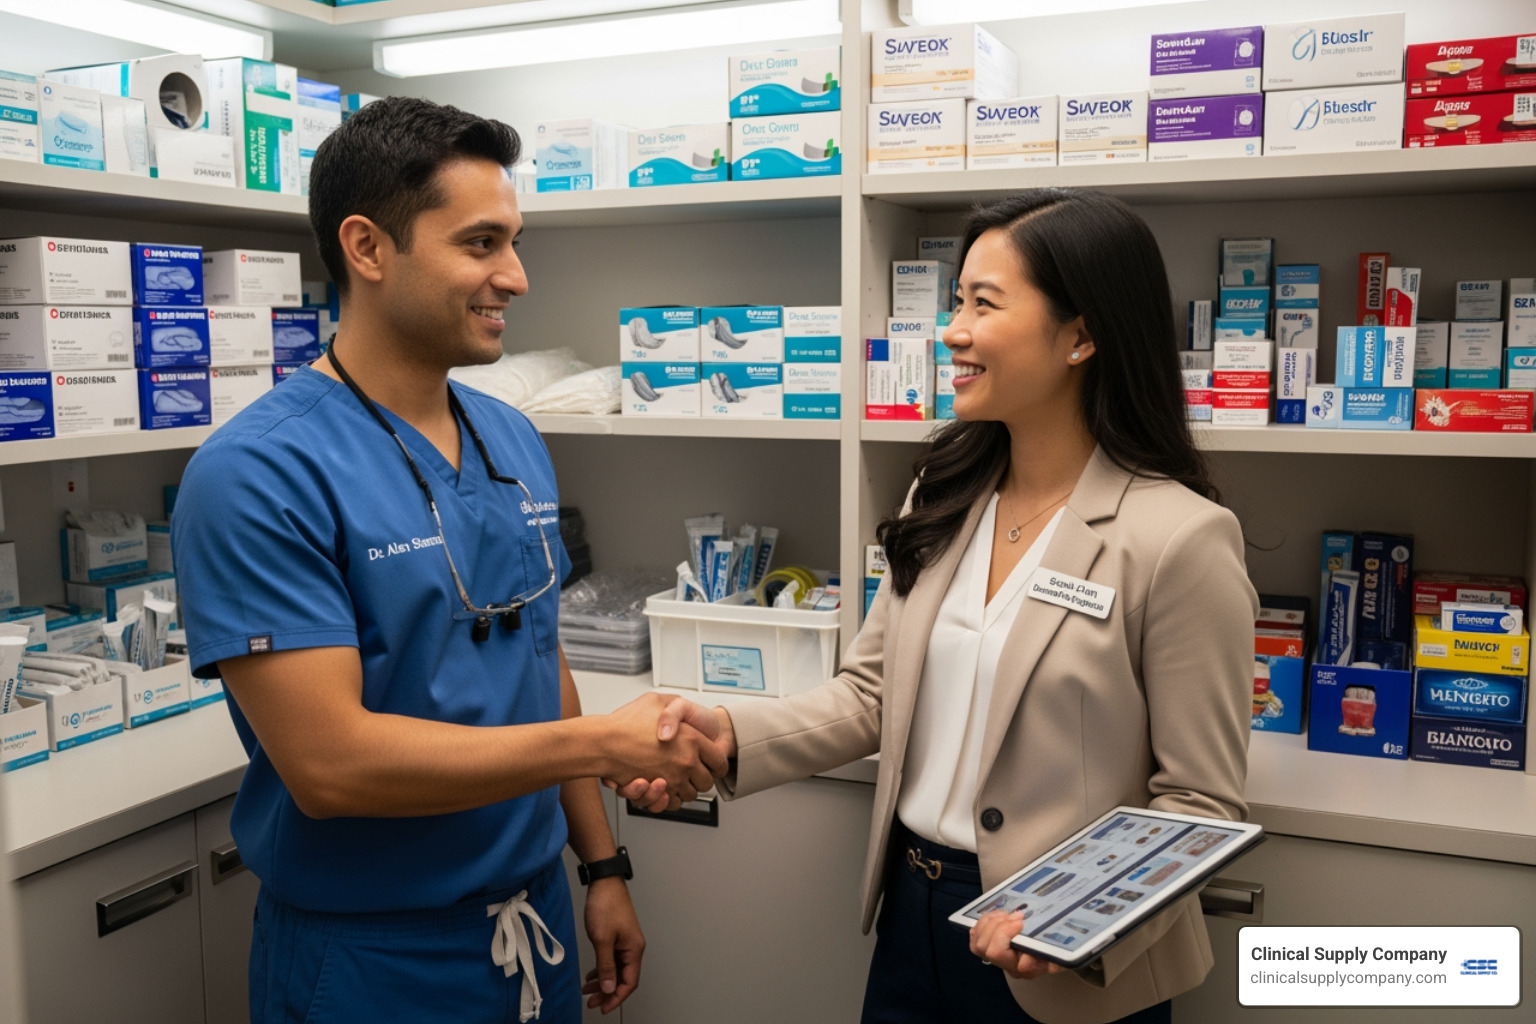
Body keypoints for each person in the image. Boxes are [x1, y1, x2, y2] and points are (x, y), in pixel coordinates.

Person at [172, 97, 722, 1024]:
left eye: (514, 242)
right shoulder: (257, 473)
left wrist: (601, 865)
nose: (516, 277)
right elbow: (330, 767)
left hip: (534, 919)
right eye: (480, 244)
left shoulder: (511, 437)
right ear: (367, 247)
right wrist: (602, 744)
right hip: (371, 959)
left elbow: (538, 659)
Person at [659, 189, 1257, 1024]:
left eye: (984, 303)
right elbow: (874, 693)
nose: (951, 330)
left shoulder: (1178, 538)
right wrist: (730, 734)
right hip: (914, 918)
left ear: (1081, 336)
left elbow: (1199, 804)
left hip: (1063, 960)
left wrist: (1072, 922)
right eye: (956, 302)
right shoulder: (940, 495)